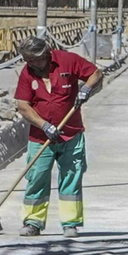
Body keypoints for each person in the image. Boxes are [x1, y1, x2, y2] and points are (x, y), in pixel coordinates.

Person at [13, 36, 103, 237]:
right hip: (40, 137)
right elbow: (23, 106)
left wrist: (86, 89)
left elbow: (96, 73)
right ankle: (33, 222)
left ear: (45, 53)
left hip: (71, 133)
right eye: (28, 61)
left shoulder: (67, 60)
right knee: (36, 177)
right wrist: (44, 125)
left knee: (71, 176)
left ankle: (70, 223)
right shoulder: (28, 73)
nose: (32, 65)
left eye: (35, 60)